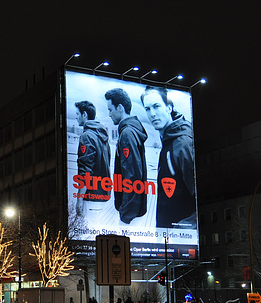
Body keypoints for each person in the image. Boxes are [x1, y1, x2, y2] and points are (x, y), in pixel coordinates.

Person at [141, 86, 196, 229]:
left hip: (180, 241)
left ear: (169, 108)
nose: (152, 114)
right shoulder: (168, 141)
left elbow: (199, 196)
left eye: (156, 106)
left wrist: (186, 227)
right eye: (147, 109)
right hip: (167, 239)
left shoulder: (182, 143)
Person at [105, 88, 148, 224]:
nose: (109, 114)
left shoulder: (127, 134)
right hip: (134, 212)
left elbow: (132, 176)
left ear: (120, 107)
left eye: (110, 109)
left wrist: (125, 216)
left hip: (130, 217)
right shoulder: (132, 131)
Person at [74, 101, 111, 220]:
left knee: (87, 235)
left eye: (77, 114)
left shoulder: (87, 136)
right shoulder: (102, 136)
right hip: (103, 196)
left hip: (90, 197)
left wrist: (79, 198)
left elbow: (85, 171)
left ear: (84, 114)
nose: (76, 117)